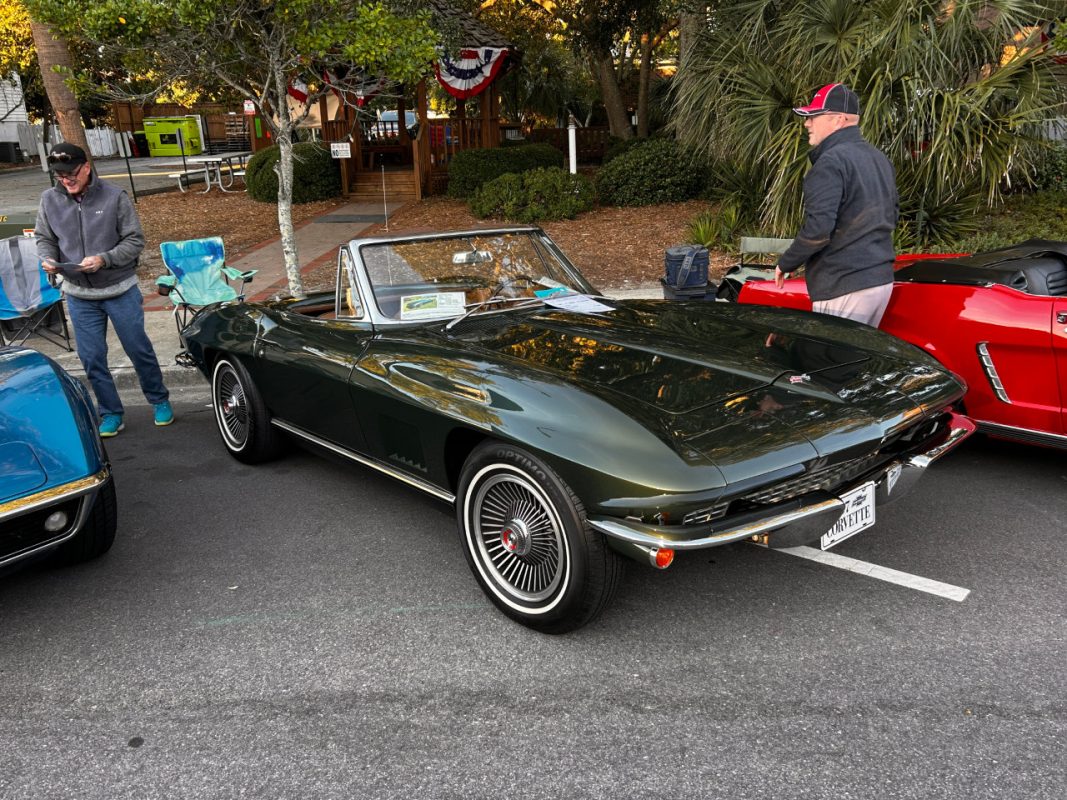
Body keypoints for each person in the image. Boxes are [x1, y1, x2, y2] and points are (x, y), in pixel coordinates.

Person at [34, 142, 173, 437]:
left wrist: (104, 259)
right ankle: (110, 412)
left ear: (86, 168)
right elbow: (44, 237)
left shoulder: (114, 197)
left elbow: (134, 240)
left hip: (119, 289)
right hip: (79, 294)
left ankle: (159, 399)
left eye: (71, 174)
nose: (66, 180)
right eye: (60, 176)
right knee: (91, 357)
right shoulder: (49, 200)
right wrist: (47, 258)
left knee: (138, 349)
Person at [774, 83, 899, 327]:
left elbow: (818, 230)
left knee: (829, 361)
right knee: (856, 360)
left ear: (838, 120)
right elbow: (891, 214)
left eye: (814, 116)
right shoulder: (878, 158)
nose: (806, 123)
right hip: (880, 282)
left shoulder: (830, 163)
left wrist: (786, 262)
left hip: (843, 284)